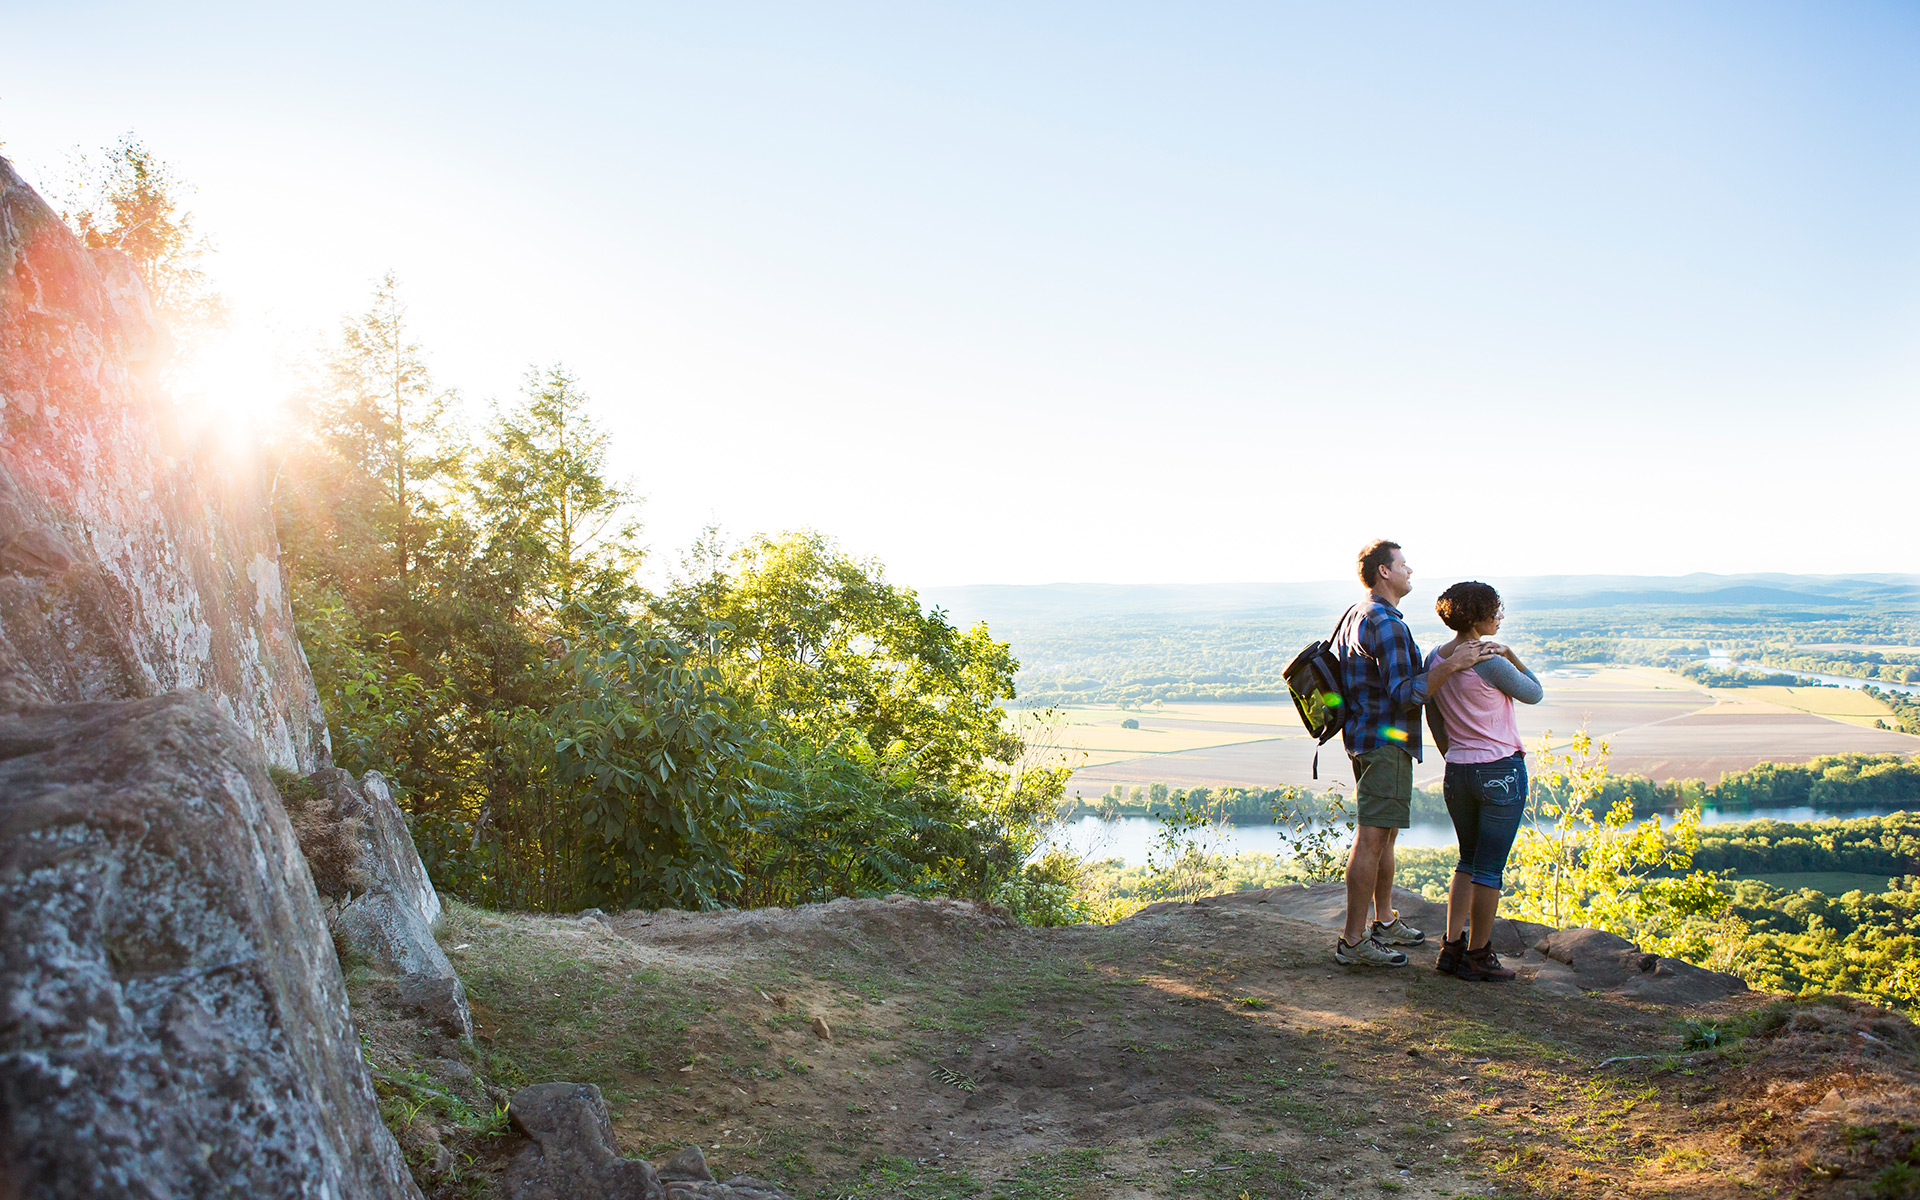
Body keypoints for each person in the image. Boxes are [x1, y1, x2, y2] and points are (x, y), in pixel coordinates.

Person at [1331, 540, 1496, 967]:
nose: (1410, 570)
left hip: (1366, 737)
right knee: (1371, 838)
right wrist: (1452, 665)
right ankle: (1353, 941)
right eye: (1403, 564)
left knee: (1384, 834)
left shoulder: (1357, 613)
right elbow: (1406, 693)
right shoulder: (1386, 623)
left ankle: (1384, 921)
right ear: (1384, 571)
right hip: (1385, 742)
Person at [1424, 581, 1543, 982]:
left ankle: (1451, 947)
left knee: (1467, 859)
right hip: (1499, 771)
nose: (1500, 617)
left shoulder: (1435, 658)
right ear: (1478, 619)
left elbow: (1433, 716)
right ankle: (1478, 955)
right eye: (1495, 611)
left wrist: (1454, 753)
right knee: (1489, 869)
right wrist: (1511, 655)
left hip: (1457, 770)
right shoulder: (1490, 661)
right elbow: (1534, 693)